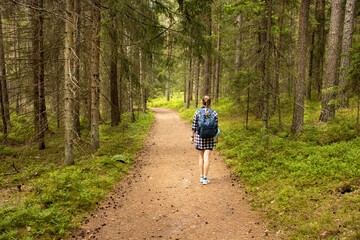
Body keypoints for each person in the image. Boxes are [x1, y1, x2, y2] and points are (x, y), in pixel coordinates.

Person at [190, 95, 219, 185]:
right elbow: (216, 128)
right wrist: (216, 138)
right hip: (210, 138)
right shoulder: (214, 113)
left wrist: (192, 137)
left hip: (200, 137)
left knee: (201, 157)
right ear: (210, 103)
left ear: (202, 102)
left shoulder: (198, 112)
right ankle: (206, 178)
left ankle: (201, 176)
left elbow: (194, 126)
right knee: (207, 158)